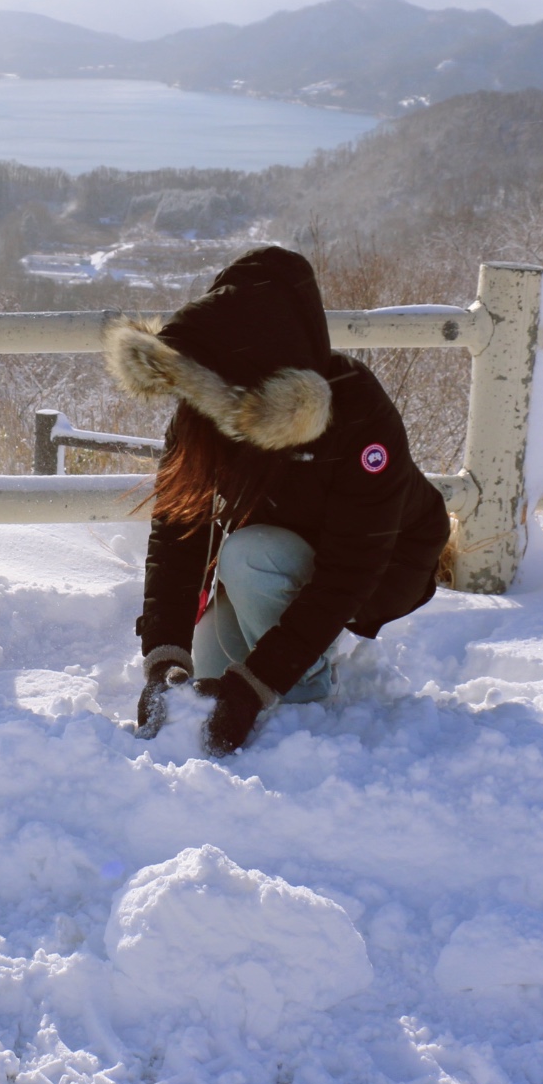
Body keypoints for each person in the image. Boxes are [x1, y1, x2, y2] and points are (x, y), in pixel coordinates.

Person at [108, 245, 452, 756]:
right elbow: (178, 533)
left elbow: (351, 570)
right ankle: (286, 665)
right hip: (285, 561)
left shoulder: (359, 414)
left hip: (385, 564)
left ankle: (306, 703)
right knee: (204, 667)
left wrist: (257, 685)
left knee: (249, 555)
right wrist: (164, 658)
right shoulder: (203, 414)